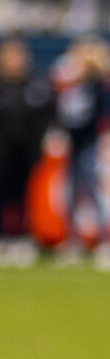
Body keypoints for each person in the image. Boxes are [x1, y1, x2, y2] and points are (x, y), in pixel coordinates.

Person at [0, 35, 53, 264]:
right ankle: (2, 236)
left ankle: (26, 237)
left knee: (27, 197)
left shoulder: (36, 87)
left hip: (28, 154)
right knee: (2, 197)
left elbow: (46, 119)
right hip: (1, 154)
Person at [51, 34, 110, 266]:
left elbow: (99, 116)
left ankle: (104, 241)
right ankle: (72, 241)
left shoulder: (98, 86)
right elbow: (65, 114)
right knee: (71, 192)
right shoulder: (72, 86)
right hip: (73, 145)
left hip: (90, 145)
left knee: (95, 193)